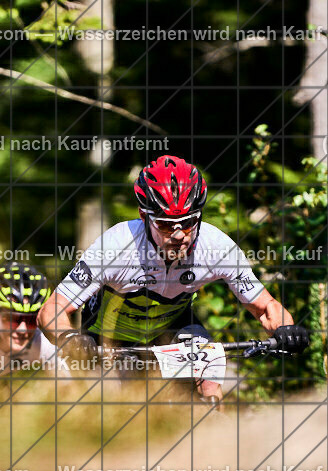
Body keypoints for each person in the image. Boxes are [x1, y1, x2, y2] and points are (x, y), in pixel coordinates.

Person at [37, 155, 309, 401]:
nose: (179, 235)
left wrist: (286, 329)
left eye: (189, 223)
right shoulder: (115, 247)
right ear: (144, 216)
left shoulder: (217, 247)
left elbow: (265, 307)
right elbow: (51, 310)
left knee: (210, 373)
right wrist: (69, 338)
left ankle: (213, 430)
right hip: (107, 338)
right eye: (166, 225)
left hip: (172, 330)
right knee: (108, 407)